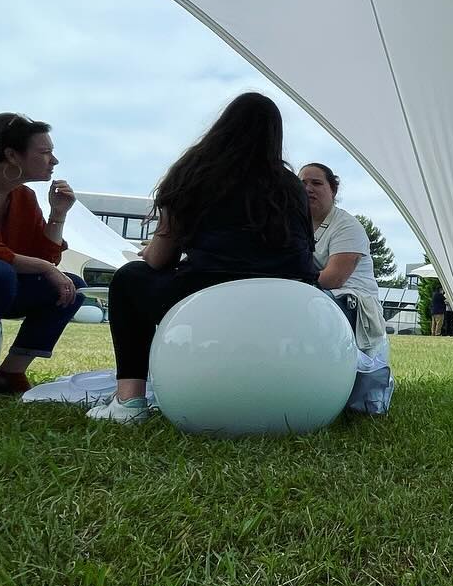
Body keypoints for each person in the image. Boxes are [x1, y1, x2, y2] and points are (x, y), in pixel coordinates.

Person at [88, 91, 316, 423]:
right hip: (287, 303)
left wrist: (149, 252)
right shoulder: (290, 187)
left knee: (129, 279)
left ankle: (129, 401)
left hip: (207, 296)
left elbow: (158, 260)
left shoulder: (196, 173)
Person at [0, 112, 83, 400]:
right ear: (12, 156)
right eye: (45, 152)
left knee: (70, 285)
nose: (54, 161)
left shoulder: (23, 197)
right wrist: (42, 265)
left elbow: (44, 258)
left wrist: (58, 214)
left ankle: (9, 373)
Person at [299, 162, 387, 360]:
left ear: (333, 190)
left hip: (352, 303)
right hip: (313, 296)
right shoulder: (293, 225)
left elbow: (333, 279)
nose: (308, 189)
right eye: (302, 183)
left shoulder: (348, 226)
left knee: (311, 308)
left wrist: (291, 282)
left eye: (316, 183)